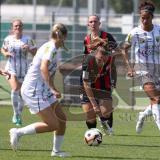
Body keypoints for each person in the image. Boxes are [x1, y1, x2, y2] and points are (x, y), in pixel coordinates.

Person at [9, 23, 70, 157]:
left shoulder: (52, 47)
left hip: (42, 89)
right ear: (63, 36)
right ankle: (18, 132)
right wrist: (52, 89)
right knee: (53, 124)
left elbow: (49, 71)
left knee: (62, 119)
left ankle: (56, 151)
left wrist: (51, 88)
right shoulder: (51, 47)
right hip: (33, 90)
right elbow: (43, 68)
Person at [123, 0, 160, 145]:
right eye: (142, 18)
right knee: (155, 100)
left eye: (147, 18)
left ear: (152, 17)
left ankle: (142, 115)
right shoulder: (134, 33)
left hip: (158, 68)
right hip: (142, 69)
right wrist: (129, 67)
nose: (144, 20)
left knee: (156, 102)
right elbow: (124, 49)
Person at [82, 15, 117, 134]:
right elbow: (86, 58)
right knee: (90, 114)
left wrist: (114, 77)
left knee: (106, 111)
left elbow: (115, 54)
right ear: (88, 24)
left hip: (104, 78)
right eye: (90, 21)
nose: (93, 23)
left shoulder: (108, 37)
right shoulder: (86, 39)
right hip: (90, 78)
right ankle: (93, 133)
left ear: (99, 23)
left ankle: (106, 123)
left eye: (95, 21)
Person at [1, 19, 37, 126]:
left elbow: (36, 52)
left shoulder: (28, 40)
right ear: (12, 28)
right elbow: (2, 49)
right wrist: (6, 53)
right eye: (15, 26)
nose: (18, 28)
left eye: (20, 26)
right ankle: (16, 114)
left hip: (24, 69)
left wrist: (29, 49)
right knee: (15, 88)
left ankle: (18, 115)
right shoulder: (8, 39)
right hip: (11, 68)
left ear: (22, 27)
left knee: (22, 94)